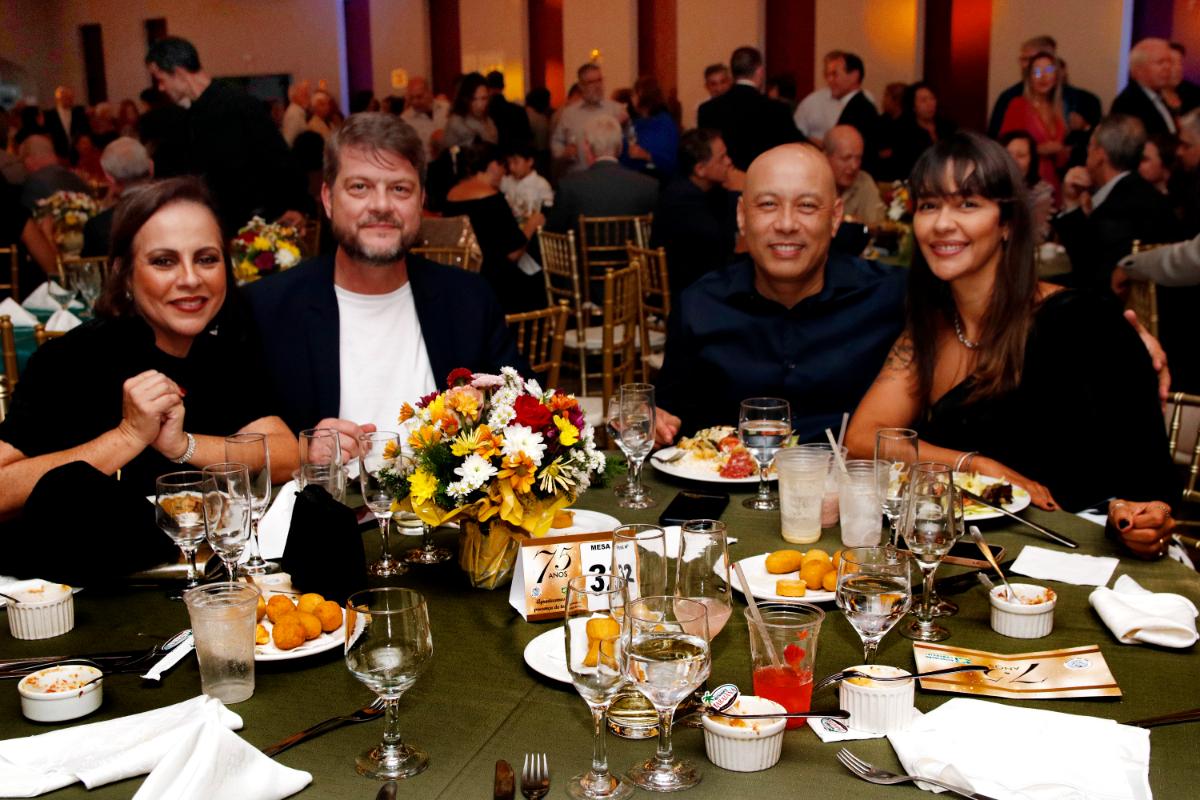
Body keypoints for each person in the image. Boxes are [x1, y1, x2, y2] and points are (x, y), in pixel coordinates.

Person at [845, 132, 1176, 553]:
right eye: (929, 205)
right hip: (970, 555)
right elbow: (864, 439)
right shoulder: (930, 329)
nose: (942, 223)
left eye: (968, 204)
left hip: (1084, 551)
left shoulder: (1081, 321)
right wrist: (973, 464)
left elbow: (1148, 485)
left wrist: (1141, 519)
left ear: (1007, 223)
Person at [0, 176, 298, 515]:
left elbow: (285, 455)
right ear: (124, 273)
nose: (190, 278)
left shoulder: (224, 353)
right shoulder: (72, 360)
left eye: (206, 259)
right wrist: (127, 436)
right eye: (163, 261)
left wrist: (183, 446)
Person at [244, 112, 526, 448]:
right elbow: (236, 443)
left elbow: (526, 412)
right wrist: (303, 453)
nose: (381, 205)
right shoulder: (268, 309)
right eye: (360, 187)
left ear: (421, 201)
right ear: (328, 199)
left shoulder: (468, 300)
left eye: (400, 189)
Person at [653, 143, 907, 445]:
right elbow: (670, 416)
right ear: (742, 216)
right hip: (727, 472)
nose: (786, 224)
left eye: (807, 206)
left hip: (848, 474)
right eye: (768, 205)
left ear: (836, 217)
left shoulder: (891, 296)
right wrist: (654, 422)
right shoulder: (700, 305)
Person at [145, 36, 305, 235]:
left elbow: (279, 161)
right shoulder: (191, 115)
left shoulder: (239, 105)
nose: (161, 88)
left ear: (178, 73)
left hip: (252, 227)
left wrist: (296, 205)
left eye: (161, 80)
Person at [1053, 114, 1179, 290]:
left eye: (1090, 146)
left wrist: (1072, 205)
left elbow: (1088, 269)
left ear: (1099, 154)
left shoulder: (1119, 206)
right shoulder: (1139, 191)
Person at [443, 140, 545, 314]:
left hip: (462, 279)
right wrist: (532, 224)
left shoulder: (451, 195)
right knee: (541, 281)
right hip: (497, 285)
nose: (505, 172)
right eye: (502, 165)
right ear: (492, 165)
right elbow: (513, 253)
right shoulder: (492, 198)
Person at [652, 128, 737, 300]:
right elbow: (720, 242)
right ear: (700, 169)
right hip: (688, 293)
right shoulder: (680, 200)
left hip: (707, 280)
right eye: (722, 158)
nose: (729, 162)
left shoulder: (710, 191)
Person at [546, 115, 658, 236]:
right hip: (631, 249)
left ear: (586, 148)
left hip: (582, 249)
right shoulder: (648, 186)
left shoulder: (569, 186)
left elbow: (552, 235)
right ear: (620, 147)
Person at [699, 46, 800, 171]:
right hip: (764, 178)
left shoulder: (707, 110)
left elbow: (704, 154)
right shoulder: (777, 109)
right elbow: (797, 148)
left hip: (724, 179)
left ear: (733, 74)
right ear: (760, 72)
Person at [999, 51, 1069, 196]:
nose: (1043, 76)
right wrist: (1040, 149)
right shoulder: (1018, 105)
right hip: (1027, 183)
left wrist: (1062, 151)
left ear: (1057, 76)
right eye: (1036, 71)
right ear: (1029, 78)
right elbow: (1004, 149)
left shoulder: (1059, 108)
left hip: (1054, 182)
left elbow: (1061, 158)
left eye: (1048, 70)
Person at [551, 63, 630, 175]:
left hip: (609, 176)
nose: (598, 86)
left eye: (600, 80)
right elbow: (556, 141)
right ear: (581, 86)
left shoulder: (616, 109)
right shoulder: (569, 114)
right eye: (592, 82)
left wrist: (623, 125)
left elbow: (629, 141)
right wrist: (563, 153)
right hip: (578, 175)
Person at [82, 137, 154, 258]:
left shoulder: (99, 226)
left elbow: (90, 268)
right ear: (151, 168)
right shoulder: (176, 211)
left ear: (109, 178)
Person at [890, 81, 956, 181]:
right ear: (913, 106)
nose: (930, 104)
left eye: (932, 98)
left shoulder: (947, 126)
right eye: (923, 100)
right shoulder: (904, 130)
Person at [1111, 38, 1177, 136]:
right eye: (1160, 62)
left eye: (1169, 62)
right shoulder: (1128, 103)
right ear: (1139, 69)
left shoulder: (1159, 96)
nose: (1167, 67)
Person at [999, 130, 1055, 242]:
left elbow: (1038, 235)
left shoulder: (1041, 191)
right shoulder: (987, 188)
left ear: (1032, 161)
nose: (1013, 161)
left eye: (1021, 156)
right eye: (1008, 155)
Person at [825, 125, 885, 227]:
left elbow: (876, 228)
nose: (854, 166)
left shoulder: (864, 182)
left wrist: (861, 228)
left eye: (858, 158)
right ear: (826, 156)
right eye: (846, 158)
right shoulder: (811, 183)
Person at [18, 134, 90, 210]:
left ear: (28, 160)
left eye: (22, 161)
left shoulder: (34, 183)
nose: (24, 167)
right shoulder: (74, 177)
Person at [626, 76, 679, 180]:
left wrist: (647, 155)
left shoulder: (663, 123)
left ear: (643, 95)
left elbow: (670, 160)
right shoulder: (636, 122)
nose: (631, 99)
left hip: (658, 179)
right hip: (636, 178)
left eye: (634, 94)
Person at [443, 72, 498, 150]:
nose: (479, 104)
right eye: (474, 99)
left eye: (484, 98)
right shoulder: (457, 122)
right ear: (465, 99)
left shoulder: (488, 121)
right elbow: (450, 152)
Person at [500, 143, 554, 219]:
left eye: (516, 162)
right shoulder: (506, 181)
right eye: (509, 163)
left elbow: (548, 213)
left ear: (530, 162)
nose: (511, 167)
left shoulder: (541, 184)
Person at [485, 70, 533, 153]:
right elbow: (526, 138)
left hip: (492, 155)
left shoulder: (485, 112)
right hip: (514, 155)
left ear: (487, 88)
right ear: (503, 86)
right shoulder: (518, 110)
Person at [401, 77, 448, 160]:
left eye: (419, 97)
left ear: (429, 93)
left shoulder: (446, 108)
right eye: (411, 98)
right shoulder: (405, 120)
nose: (415, 102)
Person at [43, 85, 90, 162]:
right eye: (66, 97)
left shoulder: (78, 112)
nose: (70, 100)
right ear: (58, 99)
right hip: (58, 153)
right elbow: (48, 134)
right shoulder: (49, 115)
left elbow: (84, 130)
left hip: (77, 154)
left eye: (71, 98)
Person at [282, 80, 311, 146]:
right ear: (293, 97)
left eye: (307, 94)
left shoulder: (298, 112)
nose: (307, 97)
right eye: (303, 95)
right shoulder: (294, 114)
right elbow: (288, 141)